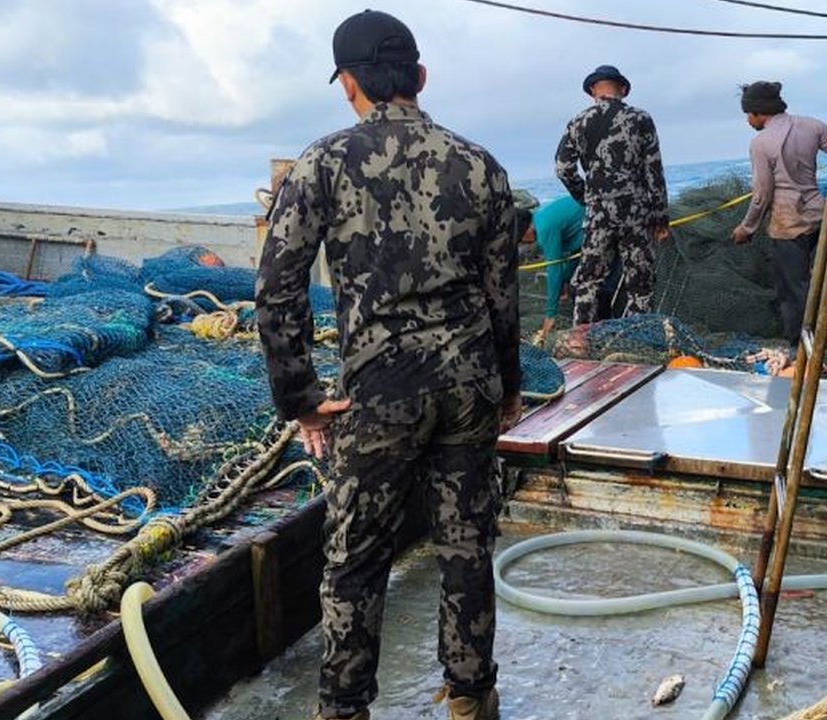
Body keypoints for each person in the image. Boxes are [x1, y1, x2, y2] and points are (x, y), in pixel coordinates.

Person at [255, 10, 518, 720]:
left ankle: (344, 708)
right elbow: (502, 291)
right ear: (420, 78)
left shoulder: (323, 161)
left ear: (348, 84)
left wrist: (300, 397)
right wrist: (509, 387)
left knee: (356, 559)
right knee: (466, 545)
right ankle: (471, 698)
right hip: (469, 385)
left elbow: (276, 286)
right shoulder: (481, 165)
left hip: (380, 391)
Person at [555, 64, 669, 327]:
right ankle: (636, 338)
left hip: (598, 213)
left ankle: (581, 338)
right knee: (639, 280)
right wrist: (661, 218)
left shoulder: (578, 122)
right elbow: (654, 170)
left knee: (589, 279)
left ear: (592, 91)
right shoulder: (641, 119)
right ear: (624, 90)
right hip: (636, 212)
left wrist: (586, 197)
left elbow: (563, 168)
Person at [730, 81, 827, 347]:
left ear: (759, 112)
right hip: (819, 216)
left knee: (791, 288)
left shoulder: (761, 143)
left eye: (748, 114)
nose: (748, 120)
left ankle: (801, 344)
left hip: (788, 224)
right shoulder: (812, 126)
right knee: (808, 274)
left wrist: (746, 229)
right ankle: (822, 324)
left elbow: (762, 194)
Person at [521, 194, 584, 343]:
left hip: (596, 223)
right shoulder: (540, 216)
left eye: (521, 238)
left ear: (526, 230)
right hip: (586, 220)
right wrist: (566, 281)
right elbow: (574, 254)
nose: (523, 242)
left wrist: (550, 315)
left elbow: (554, 268)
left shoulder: (544, 229)